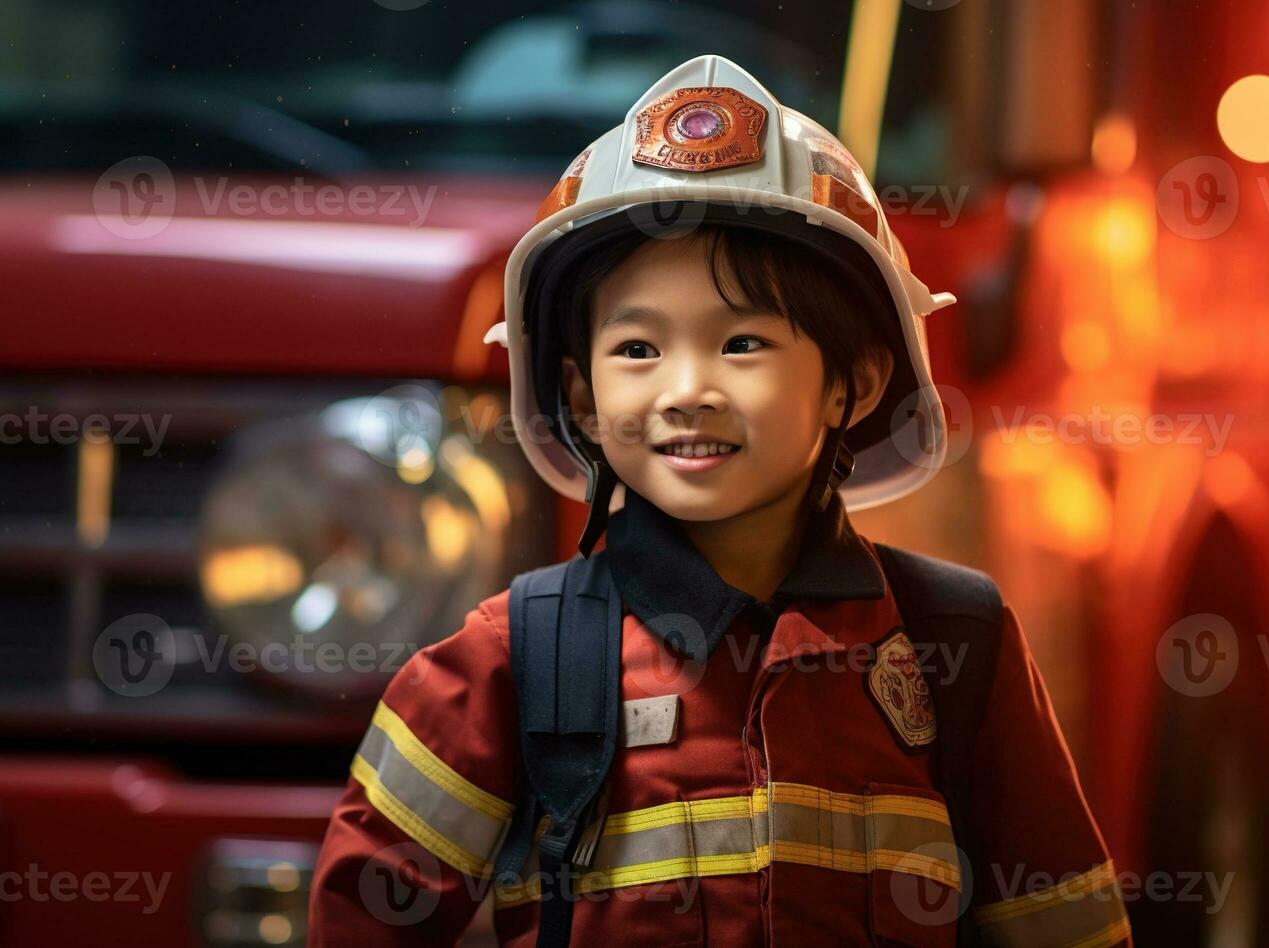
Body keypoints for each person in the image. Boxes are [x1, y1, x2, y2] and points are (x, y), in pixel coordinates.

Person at [308, 54, 1131, 948]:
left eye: (742, 342)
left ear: (851, 382)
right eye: (637, 350)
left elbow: (1069, 929)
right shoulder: (508, 665)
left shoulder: (953, 648)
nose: (686, 389)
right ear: (581, 398)